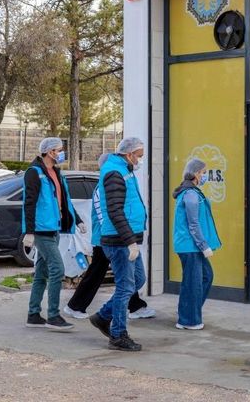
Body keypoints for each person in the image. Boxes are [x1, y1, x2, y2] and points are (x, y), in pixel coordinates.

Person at [63, 153, 155, 320]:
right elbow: (104, 215)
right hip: (107, 238)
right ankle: (76, 306)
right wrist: (116, 234)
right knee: (107, 275)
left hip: (110, 237)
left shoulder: (108, 183)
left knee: (123, 275)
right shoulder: (103, 187)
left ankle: (134, 306)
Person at [89, 137, 148, 351]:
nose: (140, 160)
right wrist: (130, 241)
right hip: (120, 240)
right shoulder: (114, 173)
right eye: (139, 156)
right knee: (125, 287)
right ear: (129, 153)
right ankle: (118, 335)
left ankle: (103, 316)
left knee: (138, 279)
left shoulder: (124, 170)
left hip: (126, 238)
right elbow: (114, 210)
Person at [22, 137, 85, 331]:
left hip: (54, 229)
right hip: (41, 231)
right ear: (50, 152)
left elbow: (63, 201)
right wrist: (29, 232)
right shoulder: (34, 173)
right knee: (57, 269)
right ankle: (53, 315)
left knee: (41, 273)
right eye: (60, 150)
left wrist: (78, 219)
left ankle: (33, 314)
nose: (62, 153)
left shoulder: (56, 173)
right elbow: (29, 203)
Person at [172, 158, 221, 330]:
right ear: (195, 174)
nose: (204, 175)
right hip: (190, 246)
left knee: (205, 276)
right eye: (202, 172)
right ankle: (189, 320)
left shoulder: (191, 192)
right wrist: (204, 246)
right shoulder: (191, 195)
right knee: (193, 282)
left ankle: (188, 313)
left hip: (191, 246)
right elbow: (193, 224)